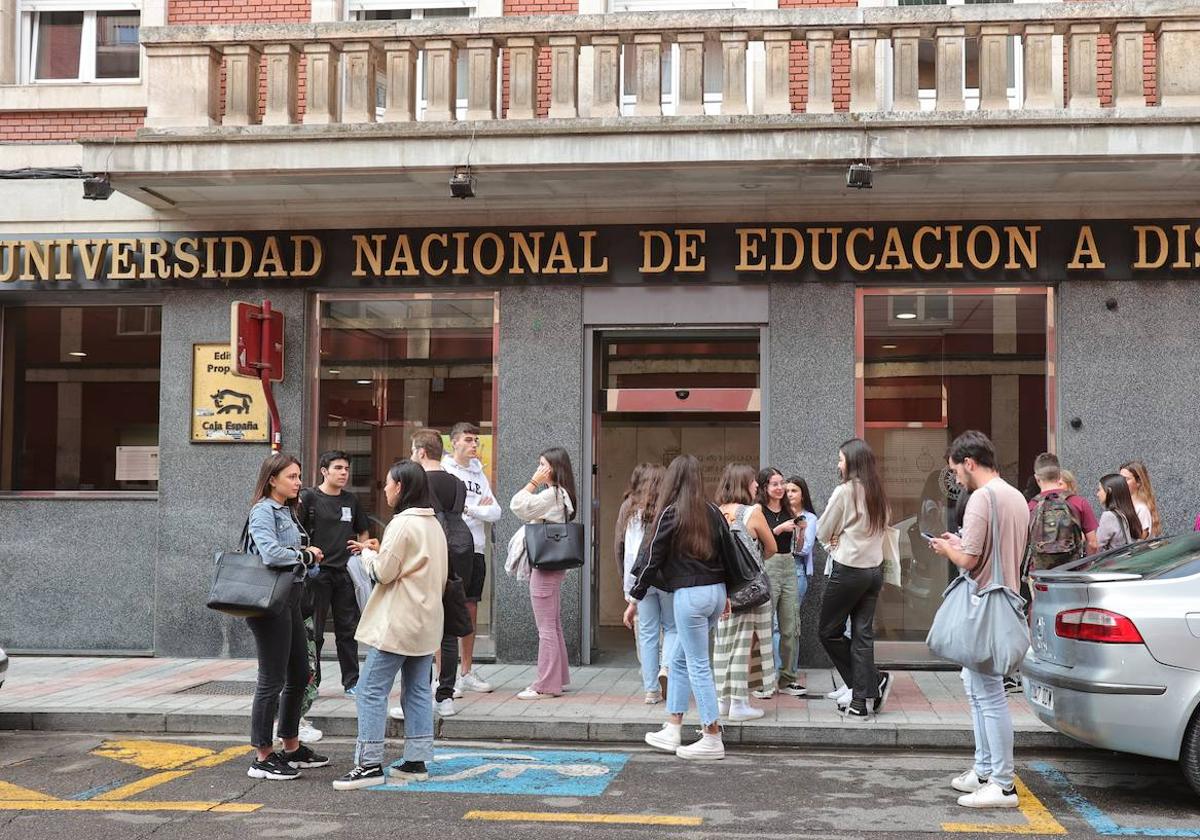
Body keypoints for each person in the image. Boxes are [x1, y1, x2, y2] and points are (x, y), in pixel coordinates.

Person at [333, 460, 448, 790]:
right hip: (426, 620)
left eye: (387, 483)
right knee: (416, 690)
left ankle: (369, 764)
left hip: (398, 620)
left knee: (370, 689)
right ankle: (416, 759)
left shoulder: (402, 523)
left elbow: (384, 572)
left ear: (401, 487)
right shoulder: (433, 525)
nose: (384, 489)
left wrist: (368, 556)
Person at [929, 430, 1029, 810]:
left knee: (989, 696)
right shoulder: (1014, 495)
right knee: (980, 690)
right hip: (1004, 599)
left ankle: (1002, 784)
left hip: (985, 603)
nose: (956, 478)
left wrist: (946, 548)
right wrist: (960, 545)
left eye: (956, 470)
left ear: (969, 463)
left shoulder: (981, 498)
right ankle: (985, 770)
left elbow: (970, 559)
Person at [628, 454, 733, 760]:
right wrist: (726, 594)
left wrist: (636, 596)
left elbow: (651, 559)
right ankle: (673, 726)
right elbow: (727, 555)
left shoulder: (671, 513)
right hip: (716, 593)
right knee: (680, 661)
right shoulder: (712, 511)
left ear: (672, 480)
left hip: (690, 595)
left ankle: (712, 736)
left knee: (698, 665)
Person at [244, 453, 329, 781]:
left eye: (297, 476)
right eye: (291, 477)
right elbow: (270, 553)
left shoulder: (287, 510)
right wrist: (306, 554)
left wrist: (310, 558)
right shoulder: (264, 510)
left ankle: (291, 747)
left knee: (299, 674)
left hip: (289, 599)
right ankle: (262, 755)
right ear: (272, 480)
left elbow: (292, 557)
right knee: (271, 678)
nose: (298, 482)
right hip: (268, 604)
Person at [816, 438, 892, 720]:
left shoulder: (845, 491)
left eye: (840, 459)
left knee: (827, 631)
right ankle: (861, 700)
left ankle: (869, 683)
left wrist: (836, 538)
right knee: (862, 635)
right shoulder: (878, 493)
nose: (838, 464)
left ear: (852, 462)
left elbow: (823, 531)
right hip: (874, 571)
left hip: (849, 569)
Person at [298, 451, 371, 697]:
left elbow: (363, 532)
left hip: (344, 574)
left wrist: (361, 552)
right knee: (315, 633)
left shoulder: (350, 500)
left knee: (347, 631)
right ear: (324, 471)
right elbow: (297, 532)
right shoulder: (308, 497)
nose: (343, 473)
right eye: (338, 468)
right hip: (317, 575)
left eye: (346, 469)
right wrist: (306, 552)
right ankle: (312, 683)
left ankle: (352, 682)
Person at [411, 428, 471, 719]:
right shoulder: (458, 482)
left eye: (413, 452)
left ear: (421, 452)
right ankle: (445, 694)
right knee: (448, 629)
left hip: (429, 550)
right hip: (460, 548)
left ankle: (420, 696)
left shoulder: (418, 482)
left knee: (424, 628)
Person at [510, 447, 578, 700]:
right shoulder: (563, 494)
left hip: (545, 567)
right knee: (554, 625)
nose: (538, 470)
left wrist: (532, 482)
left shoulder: (552, 494)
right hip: (554, 566)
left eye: (542, 466)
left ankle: (546, 684)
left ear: (553, 468)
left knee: (546, 628)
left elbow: (518, 505)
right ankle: (558, 677)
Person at [712, 464, 778, 721]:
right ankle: (740, 704)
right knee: (745, 644)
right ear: (743, 484)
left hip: (722, 589)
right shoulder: (753, 512)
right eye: (753, 482)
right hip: (751, 590)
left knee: (722, 644)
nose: (756, 487)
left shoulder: (715, 512)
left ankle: (723, 701)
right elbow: (771, 547)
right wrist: (755, 559)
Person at [441, 422, 502, 698]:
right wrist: (477, 510)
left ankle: (466, 671)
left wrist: (469, 508)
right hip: (452, 546)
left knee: (470, 608)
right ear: (454, 442)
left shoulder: (479, 473)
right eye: (468, 439)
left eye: (476, 440)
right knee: (446, 609)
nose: (474, 445)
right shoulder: (445, 470)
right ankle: (445, 676)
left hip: (476, 547)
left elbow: (496, 512)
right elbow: (448, 509)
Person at [616, 463, 671, 704]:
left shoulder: (628, 507)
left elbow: (619, 546)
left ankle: (651, 690)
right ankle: (666, 667)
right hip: (667, 577)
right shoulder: (669, 506)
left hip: (639, 578)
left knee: (647, 633)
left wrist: (626, 583)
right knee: (671, 628)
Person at [754, 467, 806, 698]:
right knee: (765, 625)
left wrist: (801, 531)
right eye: (774, 484)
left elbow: (799, 547)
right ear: (764, 487)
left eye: (781, 483)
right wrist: (778, 529)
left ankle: (787, 678)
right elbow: (755, 541)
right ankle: (763, 681)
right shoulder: (758, 511)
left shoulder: (789, 509)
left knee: (790, 626)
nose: (780, 488)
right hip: (767, 565)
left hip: (789, 565)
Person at [1026, 453, 1099, 568]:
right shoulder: (1078, 502)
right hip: (1072, 573)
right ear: (1059, 476)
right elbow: (1093, 543)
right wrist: (1085, 566)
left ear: (1036, 477)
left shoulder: (1031, 506)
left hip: (1040, 575)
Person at [786, 476, 819, 675]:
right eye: (787, 490)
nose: (789, 494)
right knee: (774, 624)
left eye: (794, 491)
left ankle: (790, 670)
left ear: (802, 494)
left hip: (796, 571)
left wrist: (792, 534)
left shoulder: (810, 518)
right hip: (774, 570)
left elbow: (805, 548)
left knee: (791, 623)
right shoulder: (779, 514)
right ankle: (776, 670)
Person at [1096, 473, 1145, 551]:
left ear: (1109, 491)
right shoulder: (1129, 511)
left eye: (1099, 490)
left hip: (1115, 561)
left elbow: (1097, 545)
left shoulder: (1109, 516)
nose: (1097, 494)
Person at [1120, 460, 1162, 537]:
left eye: (1126, 479)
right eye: (1120, 479)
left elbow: (1140, 541)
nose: (1121, 483)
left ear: (1138, 482)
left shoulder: (1141, 509)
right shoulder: (1125, 506)